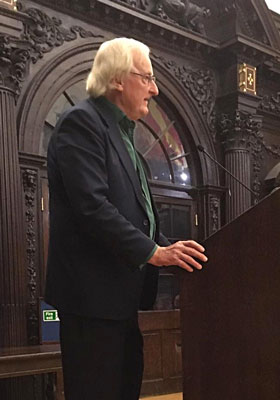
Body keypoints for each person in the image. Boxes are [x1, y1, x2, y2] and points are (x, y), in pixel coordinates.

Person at [45, 37, 207, 400]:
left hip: (120, 300)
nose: (155, 88)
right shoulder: (82, 123)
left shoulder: (124, 137)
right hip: (91, 301)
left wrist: (168, 247)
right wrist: (153, 252)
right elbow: (93, 207)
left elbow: (135, 215)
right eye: (146, 77)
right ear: (118, 79)